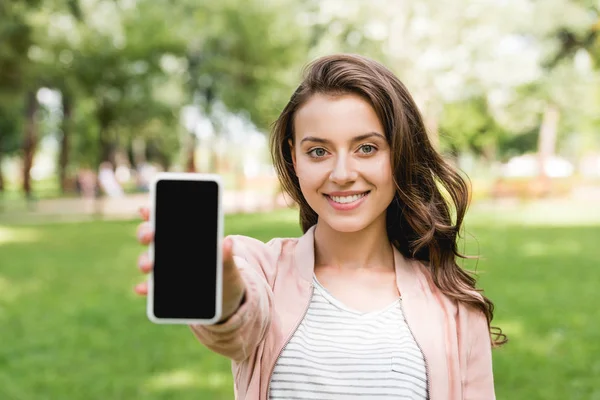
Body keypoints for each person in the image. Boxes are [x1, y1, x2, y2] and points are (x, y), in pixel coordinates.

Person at [134, 54, 506, 400]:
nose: (342, 174)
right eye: (318, 151)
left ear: (399, 153)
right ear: (294, 157)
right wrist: (226, 294)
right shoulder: (261, 270)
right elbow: (237, 326)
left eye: (366, 148)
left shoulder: (455, 310)